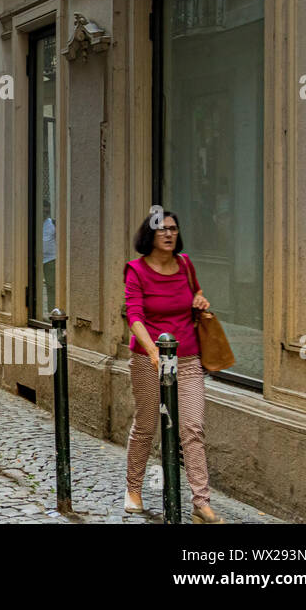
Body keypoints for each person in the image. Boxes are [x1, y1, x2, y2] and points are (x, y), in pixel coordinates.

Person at [123, 210, 221, 523]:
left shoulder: (185, 264)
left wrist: (201, 300)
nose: (169, 234)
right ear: (149, 235)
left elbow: (197, 292)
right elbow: (134, 315)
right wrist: (152, 350)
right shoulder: (136, 271)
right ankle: (134, 488)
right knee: (146, 426)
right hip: (148, 360)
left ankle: (200, 504)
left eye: (174, 229)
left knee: (192, 428)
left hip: (189, 359)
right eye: (162, 229)